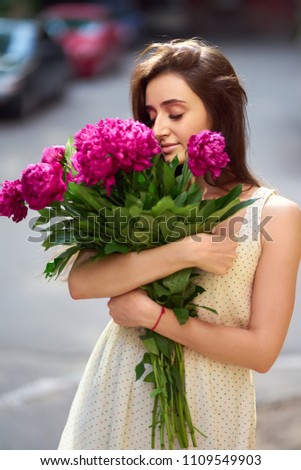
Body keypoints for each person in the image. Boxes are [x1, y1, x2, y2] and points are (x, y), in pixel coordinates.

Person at [58, 39, 301, 450]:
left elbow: (262, 352)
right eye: (150, 115)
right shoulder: (130, 192)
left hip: (210, 406)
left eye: (175, 112)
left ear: (218, 114)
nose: (158, 129)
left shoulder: (275, 214)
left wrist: (155, 318)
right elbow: (82, 283)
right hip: (117, 388)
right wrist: (183, 251)